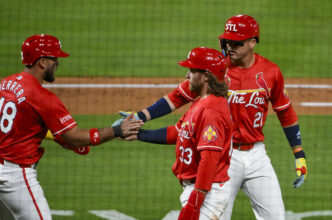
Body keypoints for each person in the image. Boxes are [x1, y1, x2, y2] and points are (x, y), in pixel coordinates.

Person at [115, 15, 307, 220]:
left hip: (257, 154)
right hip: (224, 155)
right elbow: (177, 97)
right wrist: (140, 117)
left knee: (277, 217)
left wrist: (299, 153)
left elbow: (285, 112)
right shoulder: (216, 70)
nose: (230, 46)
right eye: (227, 41)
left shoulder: (270, 72)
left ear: (252, 42)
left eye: (237, 42)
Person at [0, 34, 143, 220]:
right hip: (14, 176)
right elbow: (74, 136)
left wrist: (59, 138)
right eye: (54, 58)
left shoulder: (6, 84)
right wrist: (117, 131)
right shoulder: (42, 97)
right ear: (41, 62)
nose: (57, 63)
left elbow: (23, 124)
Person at [128, 47, 232, 220]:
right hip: (199, 190)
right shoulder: (201, 103)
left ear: (206, 76)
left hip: (207, 193)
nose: (186, 76)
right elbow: (178, 132)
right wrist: (138, 134)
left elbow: (209, 159)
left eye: (191, 71)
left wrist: (195, 203)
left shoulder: (212, 111)